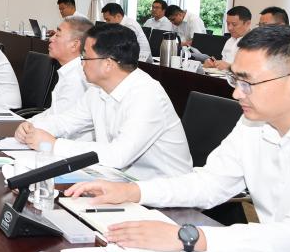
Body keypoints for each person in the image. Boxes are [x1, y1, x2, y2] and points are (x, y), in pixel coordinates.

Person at [65, 25, 290, 252]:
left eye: (247, 83)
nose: (237, 94)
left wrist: (190, 237)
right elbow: (210, 183)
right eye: (235, 80)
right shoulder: (253, 124)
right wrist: (132, 191)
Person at [15, 23, 192, 181]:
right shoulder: (97, 89)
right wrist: (31, 126)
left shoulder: (147, 95)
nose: (81, 63)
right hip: (117, 179)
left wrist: (55, 145)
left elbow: (118, 155)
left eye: (85, 57)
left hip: (162, 192)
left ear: (108, 64)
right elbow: (67, 121)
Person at [31, 15, 93, 141]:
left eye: (57, 35)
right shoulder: (69, 71)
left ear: (74, 45)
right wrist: (26, 123)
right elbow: (53, 112)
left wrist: (28, 126)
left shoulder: (77, 78)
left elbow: (61, 126)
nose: (51, 39)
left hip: (69, 144)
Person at [204, 6, 252, 70]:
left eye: (234, 24)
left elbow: (253, 71)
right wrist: (214, 65)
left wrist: (230, 67)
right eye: (228, 24)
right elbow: (224, 64)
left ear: (248, 23)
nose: (229, 28)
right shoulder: (230, 41)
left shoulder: (256, 43)